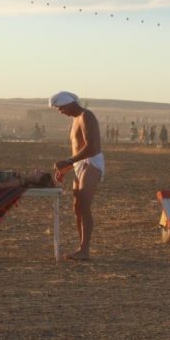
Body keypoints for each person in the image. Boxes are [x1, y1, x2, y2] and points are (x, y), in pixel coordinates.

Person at [49, 91, 104, 261]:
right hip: (79, 164)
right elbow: (78, 148)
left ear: (69, 104)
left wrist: (68, 161)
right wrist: (67, 168)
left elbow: (92, 147)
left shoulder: (87, 116)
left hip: (91, 163)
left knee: (84, 205)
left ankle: (84, 250)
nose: (60, 112)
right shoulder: (75, 120)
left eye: (61, 108)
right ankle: (81, 248)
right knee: (77, 207)